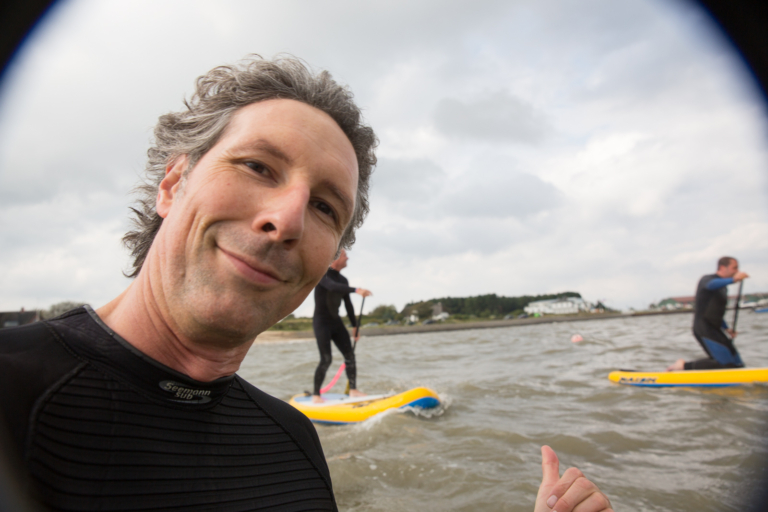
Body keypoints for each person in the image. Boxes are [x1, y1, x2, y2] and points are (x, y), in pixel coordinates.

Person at [0, 55, 613, 512]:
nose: (288, 219)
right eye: (257, 166)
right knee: (329, 355)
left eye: (324, 207)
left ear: (331, 252)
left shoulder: (293, 441)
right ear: (172, 185)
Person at [667, 256, 749, 371]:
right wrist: (733, 280)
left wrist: (726, 328)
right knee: (725, 364)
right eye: (734, 268)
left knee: (737, 363)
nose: (737, 271)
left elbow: (716, 312)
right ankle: (682, 366)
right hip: (703, 328)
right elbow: (711, 285)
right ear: (722, 267)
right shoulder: (707, 280)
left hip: (715, 329)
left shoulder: (723, 288)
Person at [312, 249, 372, 403]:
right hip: (322, 323)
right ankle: (316, 395)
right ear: (335, 258)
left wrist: (355, 326)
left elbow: (348, 304)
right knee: (326, 359)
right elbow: (332, 287)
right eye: (345, 255)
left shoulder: (343, 280)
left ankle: (353, 390)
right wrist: (357, 290)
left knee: (350, 356)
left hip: (336, 322)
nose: (347, 258)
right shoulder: (323, 274)